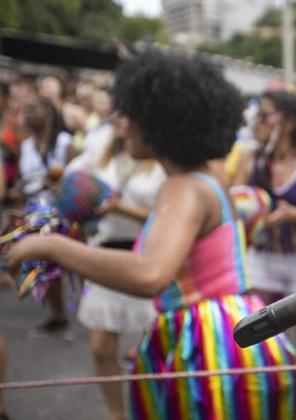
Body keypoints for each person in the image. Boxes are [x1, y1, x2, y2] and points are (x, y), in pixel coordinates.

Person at [5, 51, 296, 419]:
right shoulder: (207, 176)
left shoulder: (182, 187)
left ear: (163, 121)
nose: (120, 123)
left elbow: (149, 274)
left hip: (208, 341)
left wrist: (50, 245)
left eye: (129, 113)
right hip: (233, 328)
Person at [232, 90, 296, 420]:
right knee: (261, 346)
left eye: (264, 115)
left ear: (287, 123)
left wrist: (295, 215)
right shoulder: (251, 157)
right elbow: (232, 202)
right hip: (262, 259)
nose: (257, 123)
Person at [66, 124, 165, 420]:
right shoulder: (101, 154)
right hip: (104, 253)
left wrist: (121, 208)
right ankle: (116, 414)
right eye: (117, 113)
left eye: (127, 114)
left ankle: (155, 409)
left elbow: (168, 215)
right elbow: (69, 176)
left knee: (154, 351)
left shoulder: (163, 160)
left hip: (147, 255)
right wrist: (73, 197)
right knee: (100, 347)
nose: (120, 120)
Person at [17, 97, 76, 335]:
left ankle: (90, 308)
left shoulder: (64, 142)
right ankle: (58, 315)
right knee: (46, 265)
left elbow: (79, 178)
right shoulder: (26, 146)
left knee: (77, 263)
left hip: (66, 215)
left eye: (33, 108)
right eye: (26, 108)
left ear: (50, 114)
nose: (28, 113)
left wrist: (62, 186)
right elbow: (25, 183)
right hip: (38, 216)